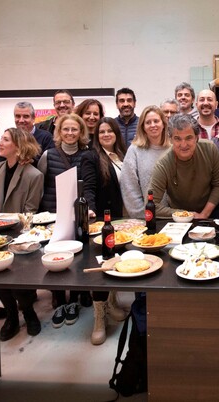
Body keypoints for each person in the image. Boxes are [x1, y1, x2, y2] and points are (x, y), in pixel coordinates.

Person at [37, 113, 97, 326]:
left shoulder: (88, 155)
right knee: (56, 258)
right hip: (54, 214)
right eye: (66, 129)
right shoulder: (48, 155)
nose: (70, 133)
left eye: (74, 129)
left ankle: (75, 298)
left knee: (80, 257)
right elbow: (41, 184)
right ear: (59, 132)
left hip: (79, 215)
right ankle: (60, 300)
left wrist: (88, 209)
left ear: (81, 132)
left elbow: (90, 186)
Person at [0, 127, 44, 341]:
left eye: (6, 139)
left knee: (20, 281)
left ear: (18, 147)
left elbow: (30, 211)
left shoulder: (34, 175)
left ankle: (28, 313)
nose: (0, 142)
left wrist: (7, 221)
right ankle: (11, 316)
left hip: (20, 235)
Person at [81, 116, 130, 345]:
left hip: (122, 219)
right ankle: (99, 317)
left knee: (115, 261)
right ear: (96, 136)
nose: (106, 135)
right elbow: (88, 186)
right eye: (101, 132)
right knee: (100, 266)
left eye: (110, 131)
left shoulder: (122, 153)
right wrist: (90, 209)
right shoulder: (91, 156)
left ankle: (111, 303)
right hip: (102, 220)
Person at [148, 114, 219, 218]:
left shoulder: (210, 149)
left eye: (188, 138)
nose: (183, 144)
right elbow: (151, 206)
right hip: (178, 220)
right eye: (177, 139)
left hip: (211, 214)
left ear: (197, 138)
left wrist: (204, 214)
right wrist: (186, 215)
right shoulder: (163, 164)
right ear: (170, 139)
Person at [120, 105, 172, 219]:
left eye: (156, 121)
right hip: (146, 218)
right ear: (143, 126)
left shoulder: (173, 148)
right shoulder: (134, 150)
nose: (153, 125)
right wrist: (143, 215)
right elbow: (129, 186)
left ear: (163, 124)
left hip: (173, 217)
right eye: (148, 122)